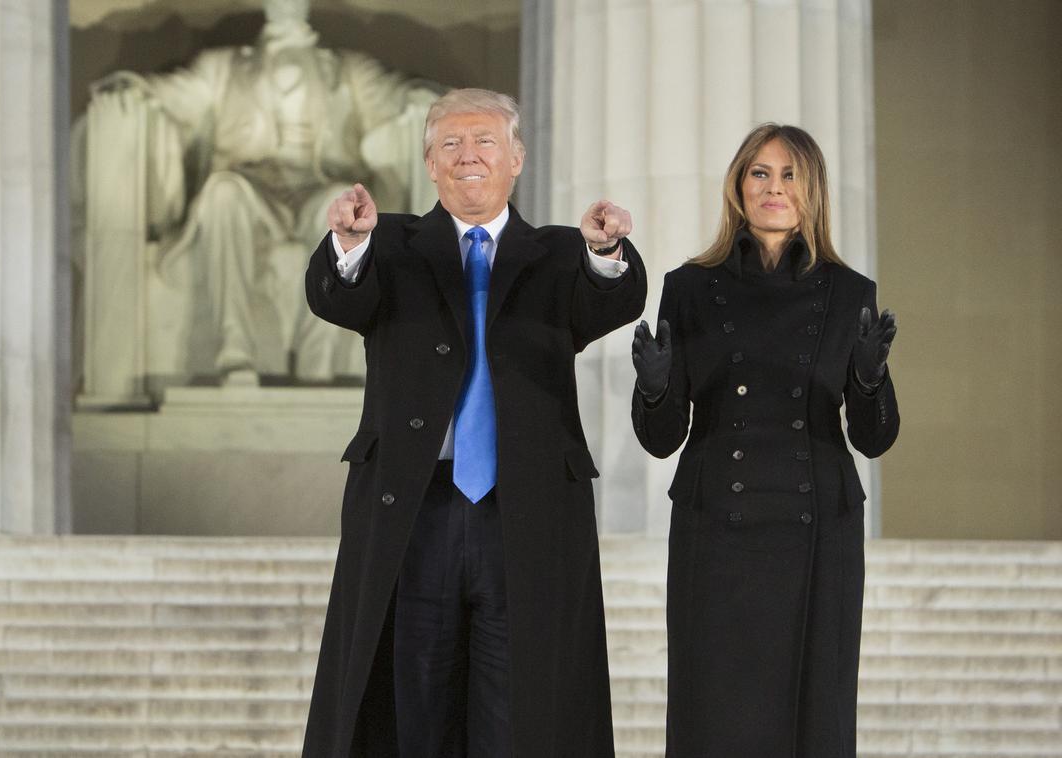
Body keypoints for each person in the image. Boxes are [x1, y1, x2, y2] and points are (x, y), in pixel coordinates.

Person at [302, 88, 647, 757]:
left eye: (485, 141)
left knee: (519, 711)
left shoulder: (556, 253)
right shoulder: (393, 245)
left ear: (516, 158)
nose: (468, 156)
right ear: (430, 164)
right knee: (414, 706)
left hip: (526, 510)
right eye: (451, 144)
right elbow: (341, 298)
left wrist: (605, 253)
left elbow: (611, 301)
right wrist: (347, 240)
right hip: (416, 512)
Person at [631, 123, 899, 757]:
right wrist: (653, 388)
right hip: (715, 526)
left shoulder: (850, 292)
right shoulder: (690, 287)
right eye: (760, 173)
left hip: (817, 531)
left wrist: (869, 376)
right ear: (738, 185)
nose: (773, 188)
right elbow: (662, 439)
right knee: (713, 714)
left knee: (815, 715)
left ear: (812, 190)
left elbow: (874, 436)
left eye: (788, 175)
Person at [74, 0, 438, 388]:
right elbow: (175, 93)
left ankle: (317, 361)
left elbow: (396, 95)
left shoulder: (346, 68)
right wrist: (135, 87)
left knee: (343, 202)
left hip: (317, 185)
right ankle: (235, 352)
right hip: (251, 186)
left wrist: (424, 97)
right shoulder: (225, 66)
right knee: (221, 191)